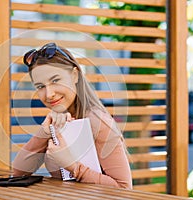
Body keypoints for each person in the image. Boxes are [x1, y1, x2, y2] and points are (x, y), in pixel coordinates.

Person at [12, 42, 132, 189]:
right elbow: (18, 173)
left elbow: (124, 189)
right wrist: (44, 131)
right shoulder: (57, 121)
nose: (49, 94)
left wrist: (72, 166)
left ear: (74, 75)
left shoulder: (98, 122)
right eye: (40, 86)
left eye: (55, 80)